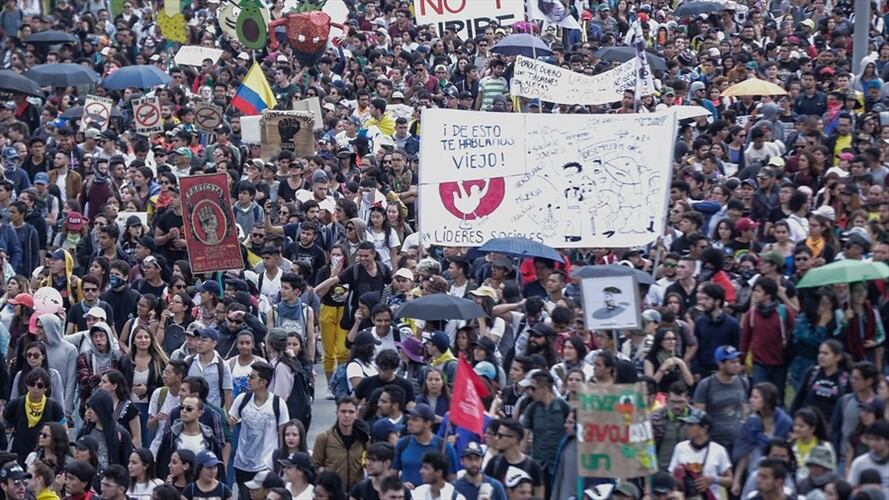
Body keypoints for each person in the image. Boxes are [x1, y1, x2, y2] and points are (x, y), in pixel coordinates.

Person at [229, 361, 289, 498]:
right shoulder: (242, 399)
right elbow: (231, 425)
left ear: (263, 382)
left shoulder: (278, 404)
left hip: (265, 465)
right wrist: (230, 423)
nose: (248, 380)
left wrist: (279, 461)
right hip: (242, 464)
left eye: (252, 377)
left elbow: (282, 434)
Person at [519, 370, 568, 495]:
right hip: (538, 463)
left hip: (558, 463)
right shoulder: (532, 409)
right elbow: (524, 438)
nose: (530, 392)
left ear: (545, 388)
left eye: (533, 388)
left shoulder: (563, 407)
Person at [3, 368, 65, 465]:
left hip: (43, 456)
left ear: (46, 388)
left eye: (40, 385)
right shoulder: (16, 404)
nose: (35, 388)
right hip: (19, 454)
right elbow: (4, 421)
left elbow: (63, 429)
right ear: (27, 386)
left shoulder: (54, 407)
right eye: (32, 384)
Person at [693, 346, 748, 453]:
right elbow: (699, 415)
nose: (737, 365)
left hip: (737, 440)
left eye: (738, 361)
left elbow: (743, 407)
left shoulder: (743, 382)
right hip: (714, 442)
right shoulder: (706, 385)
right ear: (721, 364)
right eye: (732, 362)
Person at [668, 413, 733, 500]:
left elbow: (730, 481)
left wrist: (713, 480)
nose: (686, 427)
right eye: (686, 424)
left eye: (691, 424)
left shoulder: (718, 450)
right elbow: (671, 475)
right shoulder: (680, 447)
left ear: (704, 428)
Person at [393, 403, 458, 488]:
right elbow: (392, 475)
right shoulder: (403, 444)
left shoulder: (444, 447)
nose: (409, 422)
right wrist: (401, 486)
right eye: (409, 419)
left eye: (415, 420)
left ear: (428, 423)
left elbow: (452, 480)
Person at [312, 396, 369, 491]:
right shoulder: (324, 438)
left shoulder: (364, 439)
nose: (347, 415)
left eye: (351, 412)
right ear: (337, 413)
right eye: (343, 411)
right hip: (332, 491)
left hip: (356, 491)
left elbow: (369, 462)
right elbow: (315, 466)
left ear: (356, 414)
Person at [483, 419, 545, 499]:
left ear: (514, 439)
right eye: (496, 435)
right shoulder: (494, 463)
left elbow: (539, 497)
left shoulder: (533, 466)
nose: (496, 438)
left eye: (500, 435)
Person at [77, 391, 134, 469]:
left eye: (93, 409)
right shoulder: (85, 431)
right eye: (88, 408)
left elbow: (126, 461)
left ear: (102, 410)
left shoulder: (120, 434)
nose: (89, 412)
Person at [846, 421, 889, 497]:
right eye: (870, 439)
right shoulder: (859, 462)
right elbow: (850, 489)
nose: (873, 443)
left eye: (878, 439)